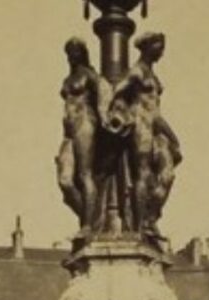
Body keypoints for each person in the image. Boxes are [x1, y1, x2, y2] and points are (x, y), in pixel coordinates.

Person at [109, 31, 182, 235]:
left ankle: (150, 215)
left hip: (156, 126)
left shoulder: (152, 75)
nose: (162, 52)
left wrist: (173, 138)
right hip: (141, 125)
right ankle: (141, 226)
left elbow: (156, 113)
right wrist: (119, 114)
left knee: (168, 175)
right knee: (143, 173)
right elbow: (117, 92)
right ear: (148, 47)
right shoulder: (137, 72)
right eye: (159, 47)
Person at [55, 37, 110, 235]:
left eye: (75, 52)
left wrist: (104, 116)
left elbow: (104, 89)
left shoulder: (88, 75)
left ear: (82, 53)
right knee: (65, 181)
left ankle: (87, 225)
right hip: (68, 130)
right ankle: (92, 216)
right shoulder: (68, 79)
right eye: (68, 53)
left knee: (85, 173)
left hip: (85, 123)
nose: (71, 57)